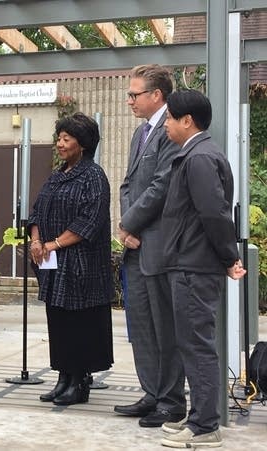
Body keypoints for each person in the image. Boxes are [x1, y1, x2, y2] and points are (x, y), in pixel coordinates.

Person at [159, 89, 246, 448]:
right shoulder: (196, 154)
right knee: (192, 343)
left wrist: (229, 257)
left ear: (186, 121)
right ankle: (199, 419)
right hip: (190, 262)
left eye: (168, 118)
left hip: (196, 265)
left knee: (197, 345)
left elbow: (214, 213)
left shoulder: (199, 158)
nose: (164, 125)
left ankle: (206, 425)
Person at [115, 64, 186, 427]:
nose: (129, 100)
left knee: (164, 326)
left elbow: (163, 186)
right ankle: (152, 392)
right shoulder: (139, 134)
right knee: (141, 324)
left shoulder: (170, 131)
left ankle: (172, 402)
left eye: (134, 93)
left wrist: (130, 222)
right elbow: (128, 184)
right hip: (135, 245)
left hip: (159, 244)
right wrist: (127, 228)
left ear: (156, 95)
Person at [28, 113, 113, 406]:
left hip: (82, 265)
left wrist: (54, 243)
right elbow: (37, 211)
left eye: (67, 139)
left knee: (79, 324)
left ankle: (78, 382)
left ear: (83, 144)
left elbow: (90, 220)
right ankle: (63, 377)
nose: (60, 144)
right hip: (54, 264)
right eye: (59, 138)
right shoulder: (57, 174)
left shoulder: (94, 176)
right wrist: (36, 240)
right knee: (59, 322)